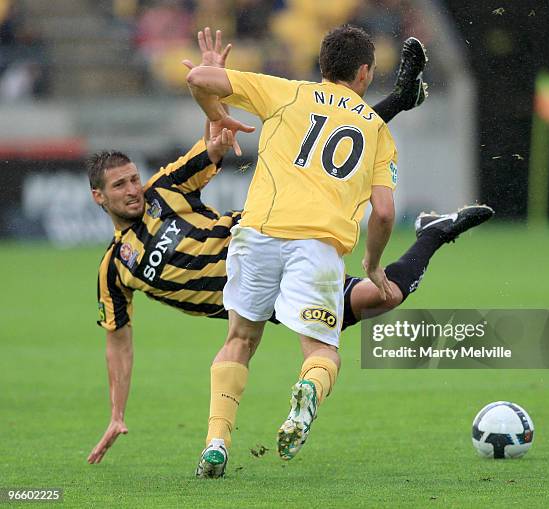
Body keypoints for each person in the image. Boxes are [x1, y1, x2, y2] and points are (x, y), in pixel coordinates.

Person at [86, 28, 493, 466]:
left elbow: (211, 128)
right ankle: (403, 109)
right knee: (334, 334)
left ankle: (432, 228)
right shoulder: (113, 268)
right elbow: (118, 342)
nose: (133, 190)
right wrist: (116, 414)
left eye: (133, 178)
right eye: (120, 185)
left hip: (255, 246)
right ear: (99, 197)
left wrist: (216, 108)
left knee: (382, 297)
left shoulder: (164, 188)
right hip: (289, 259)